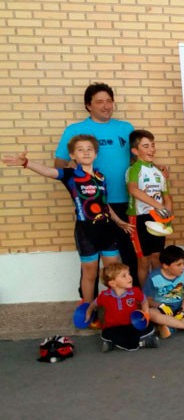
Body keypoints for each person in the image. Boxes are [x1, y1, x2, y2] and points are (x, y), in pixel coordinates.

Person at [2, 135, 132, 305]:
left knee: (113, 272)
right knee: (90, 273)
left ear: (95, 153)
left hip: (107, 228)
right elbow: (49, 172)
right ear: (72, 155)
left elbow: (104, 203)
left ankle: (113, 307)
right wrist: (27, 163)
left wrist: (118, 221)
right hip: (85, 230)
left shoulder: (101, 176)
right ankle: (88, 308)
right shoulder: (70, 174)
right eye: (80, 150)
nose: (85, 152)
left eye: (89, 149)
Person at [54, 83, 139, 285]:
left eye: (109, 101)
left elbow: (137, 160)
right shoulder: (76, 130)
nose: (106, 105)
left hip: (126, 202)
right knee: (92, 264)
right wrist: (79, 189)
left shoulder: (125, 128)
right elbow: (60, 164)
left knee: (129, 256)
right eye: (99, 101)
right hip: (94, 206)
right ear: (88, 106)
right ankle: (91, 306)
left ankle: (129, 302)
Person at [126, 130, 173, 286]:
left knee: (157, 258)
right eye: (146, 146)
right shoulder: (134, 169)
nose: (151, 149)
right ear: (135, 151)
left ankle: (156, 292)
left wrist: (167, 215)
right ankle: (144, 296)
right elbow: (133, 190)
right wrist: (158, 206)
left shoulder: (160, 172)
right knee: (144, 261)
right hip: (139, 218)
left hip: (158, 218)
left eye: (153, 145)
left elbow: (166, 197)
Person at [86, 263, 159, 352]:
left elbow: (144, 301)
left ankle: (112, 344)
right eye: (124, 276)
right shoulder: (104, 296)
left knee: (148, 328)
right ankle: (143, 343)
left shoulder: (134, 291)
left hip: (132, 324)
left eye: (129, 274)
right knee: (107, 333)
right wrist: (88, 313)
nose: (130, 277)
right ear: (112, 283)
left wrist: (146, 312)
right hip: (114, 327)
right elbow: (93, 304)